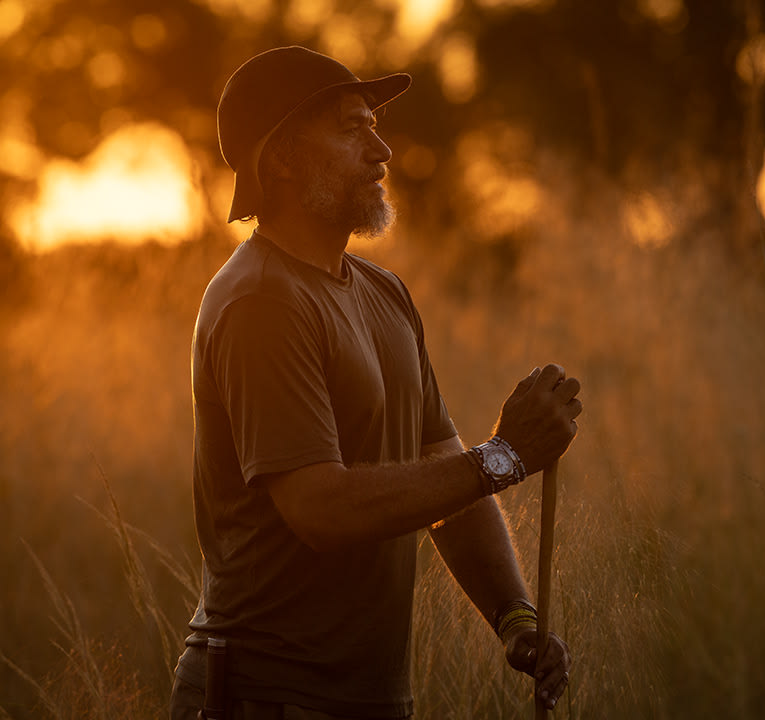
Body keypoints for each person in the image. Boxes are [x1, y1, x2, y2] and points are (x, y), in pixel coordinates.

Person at [168, 46, 582, 720]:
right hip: (265, 697)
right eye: (352, 128)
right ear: (279, 159)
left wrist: (514, 617)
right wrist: (505, 457)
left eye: (375, 126)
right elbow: (320, 509)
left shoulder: (383, 293)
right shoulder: (262, 301)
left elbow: (442, 468)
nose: (382, 150)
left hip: (367, 700)